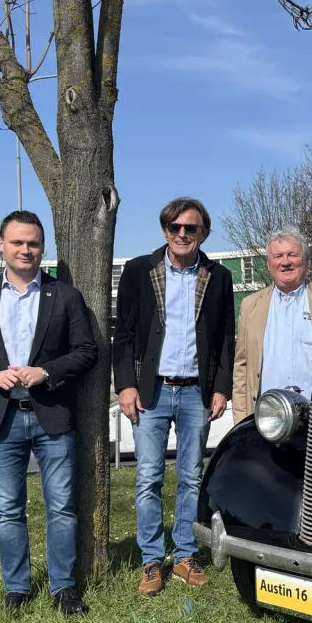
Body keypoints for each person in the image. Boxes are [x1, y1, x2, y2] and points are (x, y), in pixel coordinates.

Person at [0, 209, 98, 615]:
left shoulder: (65, 296)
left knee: (62, 508)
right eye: (17, 242)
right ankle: (16, 588)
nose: (25, 249)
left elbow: (87, 351)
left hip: (52, 416)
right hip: (1, 418)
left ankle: (64, 588)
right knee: (8, 509)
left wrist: (46, 371)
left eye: (32, 242)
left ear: (43, 247)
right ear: (1, 245)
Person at [112, 197, 235, 597]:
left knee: (191, 477)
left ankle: (184, 555)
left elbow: (224, 340)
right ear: (165, 231)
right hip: (152, 391)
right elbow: (124, 335)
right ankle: (151, 560)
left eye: (191, 228)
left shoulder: (218, 277)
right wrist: (126, 384)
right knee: (148, 477)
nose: (182, 234)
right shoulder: (138, 271)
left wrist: (220, 388)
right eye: (175, 228)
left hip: (196, 393)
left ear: (204, 233)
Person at [232, 228, 312, 422]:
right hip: (268, 418)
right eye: (278, 256)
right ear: (269, 264)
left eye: (292, 255)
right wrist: (242, 420)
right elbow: (241, 368)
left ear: (306, 261)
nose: (285, 262)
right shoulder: (250, 306)